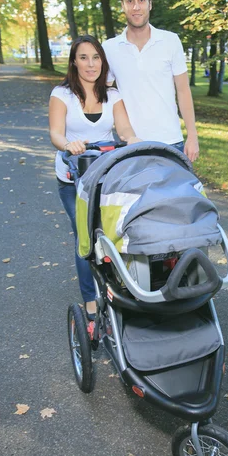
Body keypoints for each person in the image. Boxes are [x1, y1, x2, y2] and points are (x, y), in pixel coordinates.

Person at [49, 34, 140, 320]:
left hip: (104, 177)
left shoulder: (112, 96)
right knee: (84, 238)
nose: (91, 64)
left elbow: (124, 130)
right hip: (72, 178)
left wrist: (133, 139)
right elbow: (55, 133)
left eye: (96, 57)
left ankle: (117, 287)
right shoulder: (61, 94)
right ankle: (90, 299)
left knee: (112, 233)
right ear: (74, 62)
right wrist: (68, 144)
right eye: (84, 57)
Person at [102, 0, 199, 162]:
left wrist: (192, 136)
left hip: (171, 143)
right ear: (122, 5)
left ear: (150, 4)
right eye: (129, 1)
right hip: (130, 146)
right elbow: (104, 96)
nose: (136, 7)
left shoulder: (170, 41)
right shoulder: (110, 48)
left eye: (141, 0)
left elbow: (183, 90)